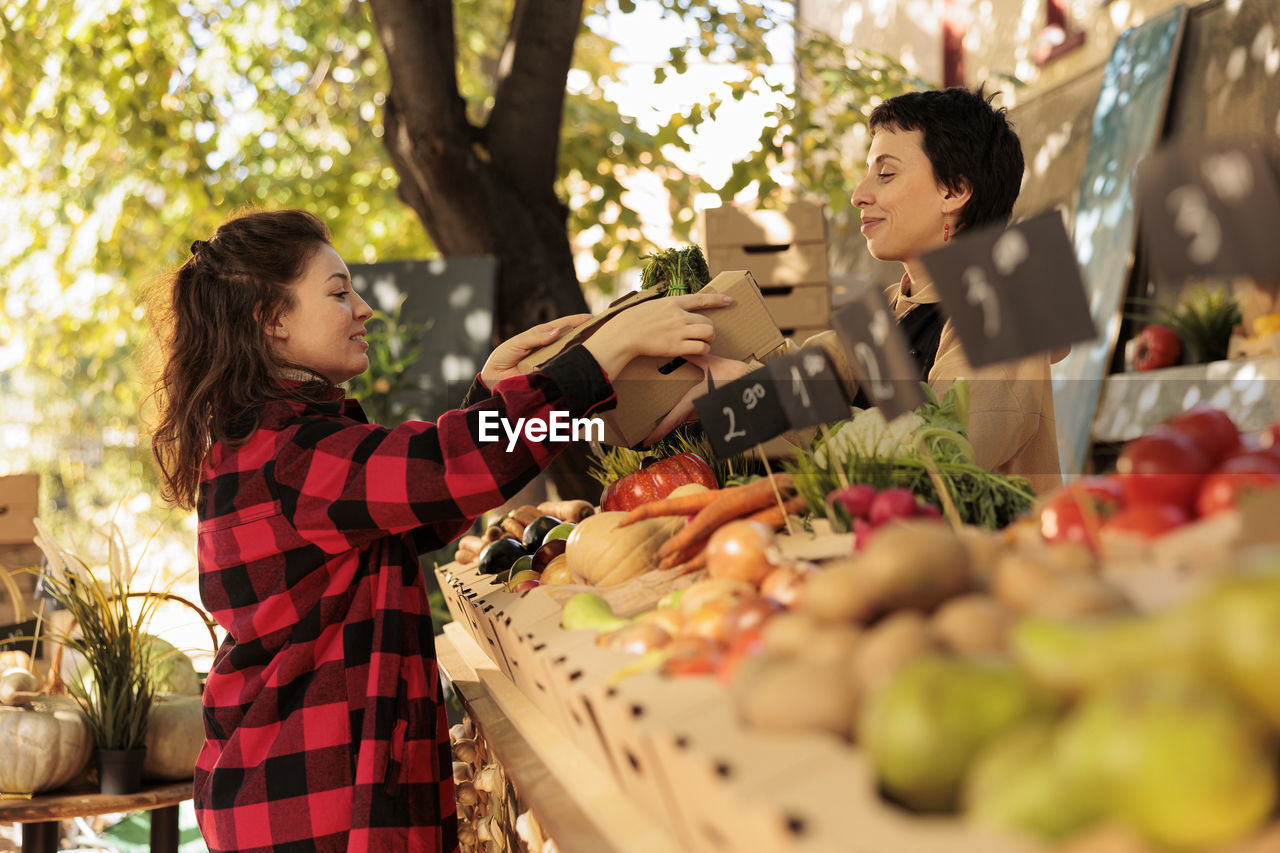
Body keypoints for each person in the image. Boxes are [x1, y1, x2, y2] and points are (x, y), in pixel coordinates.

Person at [148, 208, 734, 852]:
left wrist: (490, 395)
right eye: (339, 292)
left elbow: (427, 499)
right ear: (273, 318)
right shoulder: (288, 452)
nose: (363, 309)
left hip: (304, 797)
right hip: (311, 814)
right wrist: (600, 357)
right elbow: (450, 469)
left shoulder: (280, 443)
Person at [803, 86, 1064, 495]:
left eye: (884, 173)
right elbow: (816, 366)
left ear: (954, 191)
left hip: (987, 556)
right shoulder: (895, 306)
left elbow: (938, 451)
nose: (859, 195)